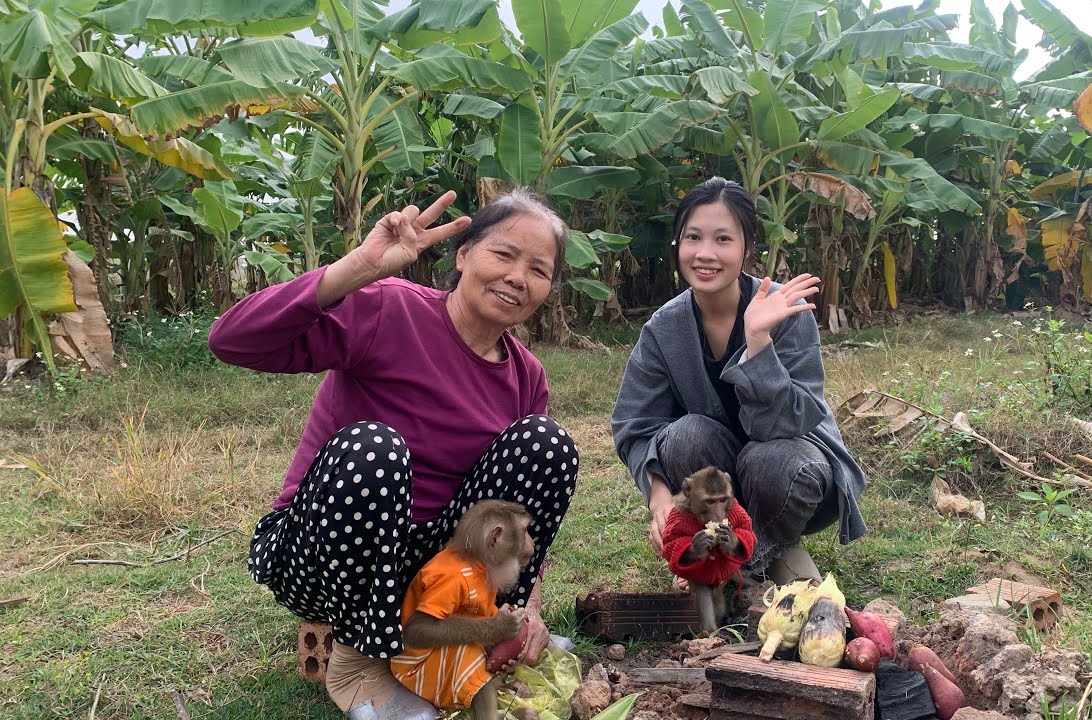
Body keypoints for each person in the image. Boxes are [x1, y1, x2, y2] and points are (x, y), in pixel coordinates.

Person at [208, 189, 579, 720]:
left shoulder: (526, 376)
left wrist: (528, 607)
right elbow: (232, 341)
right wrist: (357, 266)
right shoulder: (389, 307)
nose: (518, 277)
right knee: (374, 450)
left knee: (547, 445)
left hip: (431, 570)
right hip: (325, 555)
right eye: (503, 254)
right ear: (463, 253)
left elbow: (517, 518)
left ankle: (479, 625)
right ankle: (359, 662)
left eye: (538, 269)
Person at [610, 177, 868, 587]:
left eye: (723, 239)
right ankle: (760, 548)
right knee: (685, 434)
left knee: (770, 459)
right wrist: (659, 496)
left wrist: (758, 342)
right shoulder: (664, 328)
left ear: (748, 248)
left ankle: (748, 555)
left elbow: (788, 424)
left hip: (791, 474)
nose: (705, 253)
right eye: (693, 237)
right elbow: (634, 426)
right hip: (715, 485)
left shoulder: (786, 311)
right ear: (677, 242)